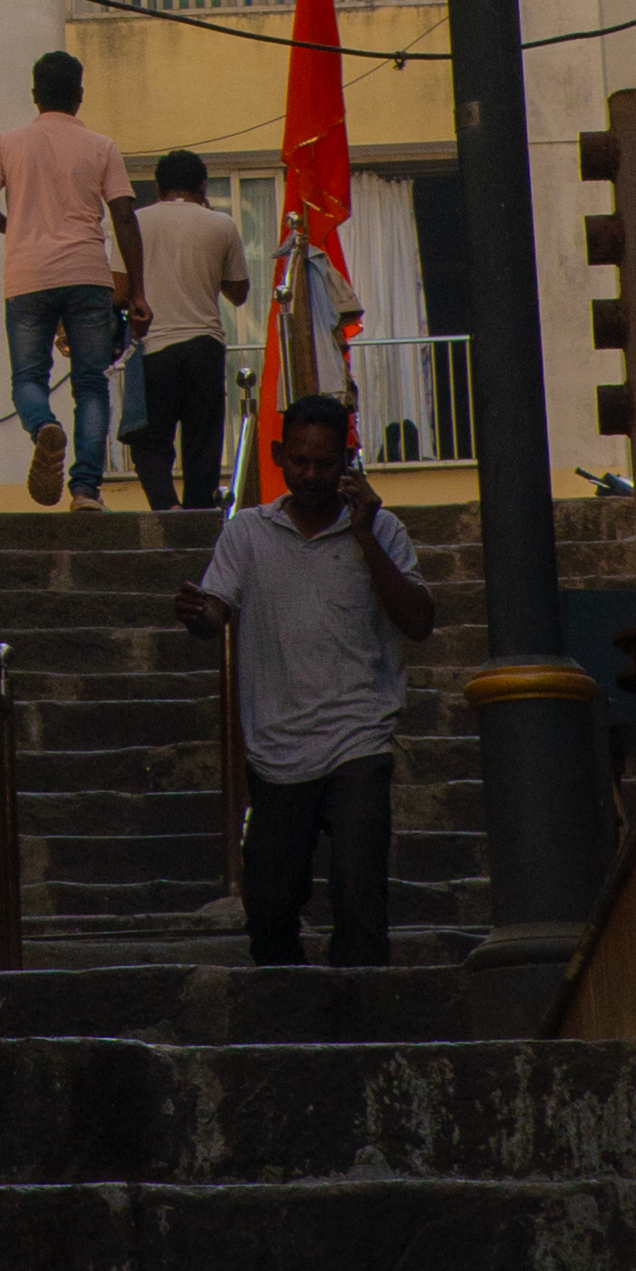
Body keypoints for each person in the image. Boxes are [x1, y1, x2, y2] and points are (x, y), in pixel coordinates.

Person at [175, 382, 436, 970]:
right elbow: (216, 607)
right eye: (300, 461)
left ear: (346, 462)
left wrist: (366, 535)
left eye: (325, 462)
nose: (312, 474)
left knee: (359, 894)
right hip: (276, 750)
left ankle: (360, 1026)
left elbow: (418, 621)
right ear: (277, 456)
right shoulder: (247, 531)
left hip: (358, 740)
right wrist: (200, 615)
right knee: (268, 906)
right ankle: (284, 1018)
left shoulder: (384, 529)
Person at [0, 50, 144, 509]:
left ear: (34, 95)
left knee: (28, 376)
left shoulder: (7, 142)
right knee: (90, 384)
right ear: (79, 96)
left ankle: (44, 425)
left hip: (27, 276)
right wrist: (138, 290)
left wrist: (17, 228)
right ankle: (85, 488)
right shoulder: (102, 147)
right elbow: (124, 215)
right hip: (87, 275)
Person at [125, 153, 250, 511]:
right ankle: (198, 514)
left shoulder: (134, 222)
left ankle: (166, 507)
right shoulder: (221, 225)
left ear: (159, 186)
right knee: (203, 440)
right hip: (205, 345)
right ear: (202, 186)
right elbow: (238, 293)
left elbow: (119, 289)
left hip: (153, 347)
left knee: (149, 439)